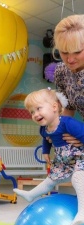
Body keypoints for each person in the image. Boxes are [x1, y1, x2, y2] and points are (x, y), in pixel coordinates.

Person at [13, 88, 84, 225]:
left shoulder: (67, 123)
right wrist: (46, 151)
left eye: (38, 108)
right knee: (51, 179)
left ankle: (82, 212)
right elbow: (46, 138)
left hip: (79, 156)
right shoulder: (44, 128)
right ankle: (31, 194)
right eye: (32, 112)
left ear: (54, 107)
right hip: (63, 160)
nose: (35, 114)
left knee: (78, 178)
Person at [54, 14, 84, 145]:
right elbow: (68, 107)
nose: (70, 60)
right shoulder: (62, 71)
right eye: (64, 52)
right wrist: (58, 132)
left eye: (77, 52)